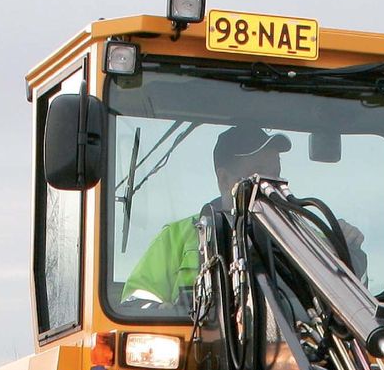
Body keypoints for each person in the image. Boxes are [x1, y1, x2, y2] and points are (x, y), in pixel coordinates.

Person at [121, 123, 365, 305]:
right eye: (258, 172)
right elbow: (137, 305)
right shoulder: (177, 239)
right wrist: (190, 310)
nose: (271, 183)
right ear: (224, 178)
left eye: (275, 171)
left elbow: (354, 299)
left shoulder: (307, 238)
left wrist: (348, 248)